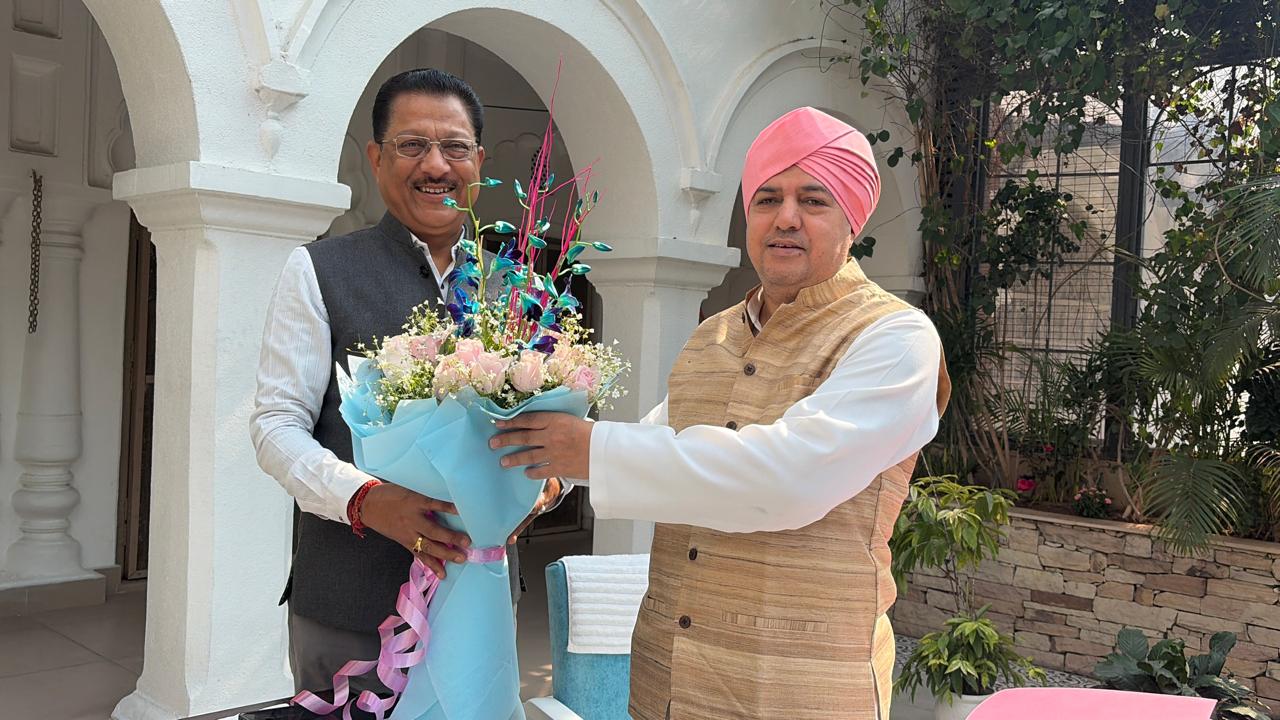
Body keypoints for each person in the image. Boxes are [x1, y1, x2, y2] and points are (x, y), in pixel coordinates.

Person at [490, 106, 950, 720]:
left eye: (813, 200)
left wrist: (589, 449)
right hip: (668, 677)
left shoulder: (895, 338)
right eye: (767, 199)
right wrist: (545, 475)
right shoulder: (714, 334)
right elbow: (662, 436)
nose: (785, 218)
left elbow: (786, 479)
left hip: (801, 689)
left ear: (852, 218)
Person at [250, 67, 566, 697]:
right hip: (351, 602)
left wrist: (546, 487)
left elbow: (560, 426)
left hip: (480, 595)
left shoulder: (521, 287)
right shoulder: (319, 270)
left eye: (454, 147)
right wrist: (367, 500)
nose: (436, 165)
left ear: (479, 162)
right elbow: (275, 424)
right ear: (376, 159)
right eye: (412, 145)